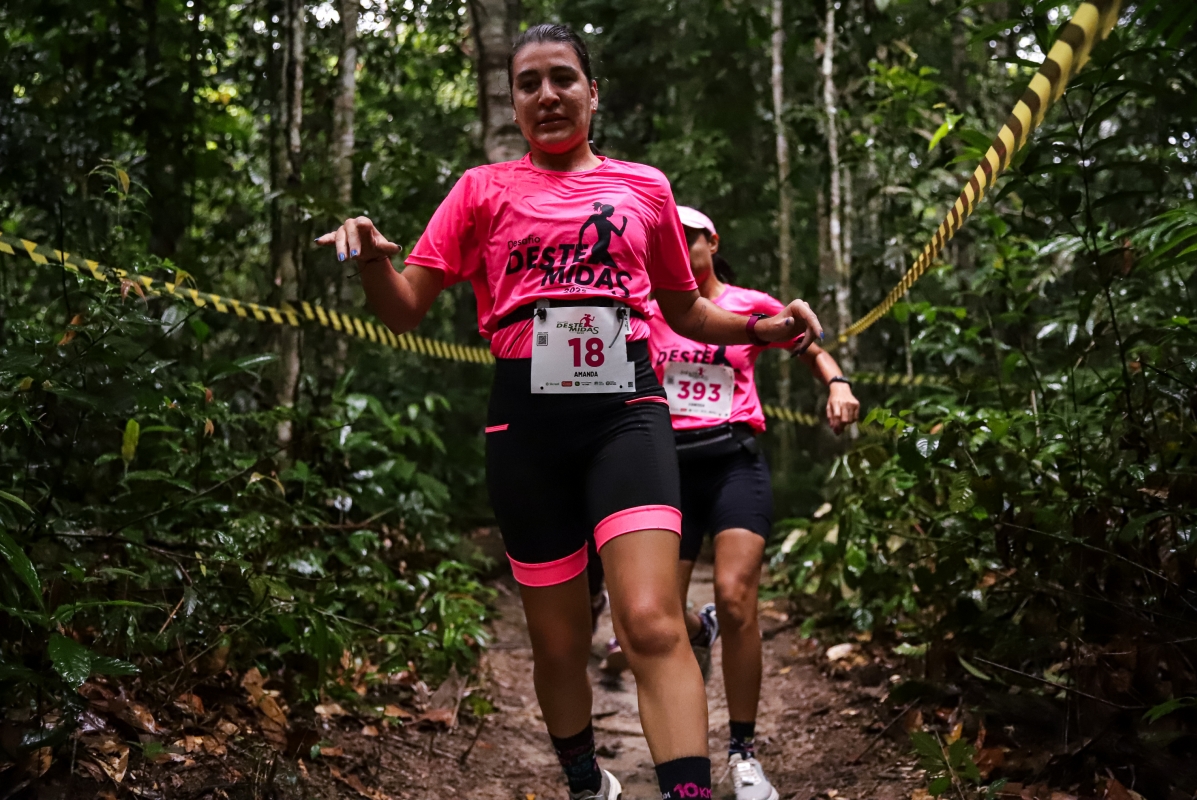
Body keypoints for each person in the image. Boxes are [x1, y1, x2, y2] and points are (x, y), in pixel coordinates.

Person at [317, 25, 824, 800]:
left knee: (651, 619)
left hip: (628, 409)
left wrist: (762, 330)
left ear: (593, 92)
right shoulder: (480, 189)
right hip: (526, 422)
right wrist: (370, 261)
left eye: (563, 78)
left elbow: (685, 309)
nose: (547, 95)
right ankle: (587, 781)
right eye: (529, 83)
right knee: (558, 644)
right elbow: (405, 309)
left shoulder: (645, 187)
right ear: (513, 102)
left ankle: (687, 792)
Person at [603, 207, 860, 800]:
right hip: (666, 469)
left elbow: (806, 344)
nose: (676, 248)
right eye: (666, 240)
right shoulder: (650, 306)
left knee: (737, 596)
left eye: (686, 239)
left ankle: (743, 753)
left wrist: (837, 383)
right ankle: (702, 630)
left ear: (711, 242)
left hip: (733, 463)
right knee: (659, 614)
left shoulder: (748, 305)